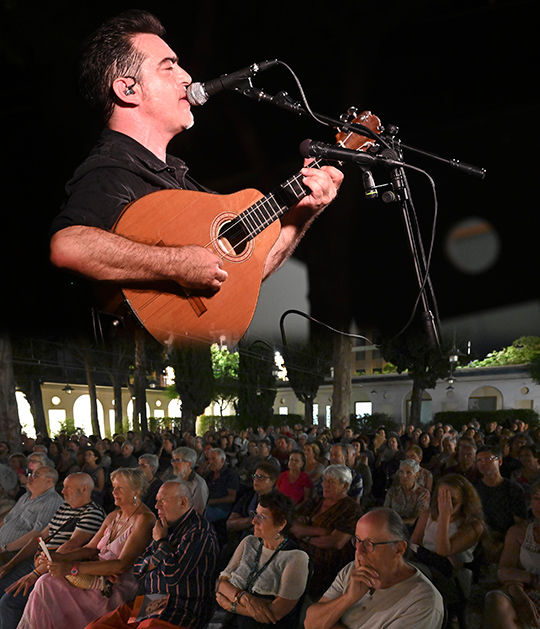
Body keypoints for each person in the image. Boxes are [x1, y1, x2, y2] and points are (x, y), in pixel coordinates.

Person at [48, 10, 343, 340]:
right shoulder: (111, 170)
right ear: (127, 90)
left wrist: (303, 213)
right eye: (168, 67)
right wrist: (177, 264)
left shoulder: (179, 180)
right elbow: (67, 246)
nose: (186, 76)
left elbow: (245, 275)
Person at [17, 468, 155, 629]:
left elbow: (122, 564)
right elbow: (90, 549)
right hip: (94, 575)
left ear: (136, 491)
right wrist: (56, 557)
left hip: (115, 585)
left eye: (120, 488)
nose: (114, 492)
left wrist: (72, 568)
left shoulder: (144, 519)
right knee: (46, 581)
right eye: (114, 487)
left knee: (47, 584)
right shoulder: (114, 516)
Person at [86, 480, 219, 629]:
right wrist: (161, 554)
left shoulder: (198, 530)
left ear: (182, 501)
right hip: (152, 602)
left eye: (162, 501)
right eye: (156, 501)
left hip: (182, 607)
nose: (156, 506)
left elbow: (171, 575)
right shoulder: (163, 525)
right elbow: (138, 569)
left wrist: (161, 542)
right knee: (96, 627)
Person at [304, 507, 444, 629]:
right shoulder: (352, 570)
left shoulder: (423, 601)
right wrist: (348, 598)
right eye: (357, 540)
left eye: (370, 544)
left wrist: (330, 624)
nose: (359, 551)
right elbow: (310, 623)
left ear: (398, 549)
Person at [0, 473, 105, 629]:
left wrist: (35, 573)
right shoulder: (64, 507)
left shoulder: (92, 513)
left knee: (9, 603)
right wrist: (11, 563)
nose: (63, 491)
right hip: (38, 561)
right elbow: (40, 537)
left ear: (84, 489)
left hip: (54, 568)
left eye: (67, 487)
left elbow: (70, 546)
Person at [215, 491, 310, 628]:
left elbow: (275, 613)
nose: (254, 521)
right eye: (255, 514)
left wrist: (231, 606)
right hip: (232, 621)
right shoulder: (249, 541)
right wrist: (246, 598)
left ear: (281, 525)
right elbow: (222, 582)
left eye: (262, 517)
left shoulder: (296, 557)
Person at [411, 473, 486, 626]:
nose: (444, 504)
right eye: (441, 498)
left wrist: (445, 516)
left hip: (452, 577)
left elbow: (442, 550)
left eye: (451, 500)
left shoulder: (473, 525)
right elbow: (413, 545)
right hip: (424, 562)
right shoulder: (427, 515)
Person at [291, 464, 362, 599]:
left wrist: (305, 536)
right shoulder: (316, 501)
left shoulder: (351, 510)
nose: (326, 485)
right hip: (301, 559)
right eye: (325, 480)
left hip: (328, 568)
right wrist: (321, 530)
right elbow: (293, 526)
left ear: (345, 486)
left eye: (332, 482)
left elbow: (335, 542)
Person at [481, 479, 540, 629]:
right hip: (523, 590)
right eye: (536, 498)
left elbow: (514, 573)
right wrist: (519, 595)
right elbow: (504, 572)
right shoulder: (518, 532)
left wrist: (529, 577)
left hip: (531, 586)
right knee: (495, 599)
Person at [0, 466, 64, 557]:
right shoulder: (26, 496)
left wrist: (6, 548)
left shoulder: (52, 501)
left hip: (17, 553)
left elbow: (38, 534)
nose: (29, 478)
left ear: (49, 480)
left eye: (35, 476)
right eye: (30, 474)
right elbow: (7, 520)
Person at [474, 445, 528, 543]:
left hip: (507, 539)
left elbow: (520, 522)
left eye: (488, 459)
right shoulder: (473, 488)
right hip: (478, 538)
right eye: (479, 460)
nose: (483, 463)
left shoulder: (513, 489)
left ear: (499, 462)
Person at [227, 461, 280, 539]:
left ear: (272, 481)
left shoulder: (278, 501)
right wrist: (250, 521)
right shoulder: (248, 497)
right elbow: (230, 523)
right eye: (255, 476)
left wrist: (243, 523)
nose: (256, 480)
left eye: (261, 477)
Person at [383, 459, 430, 526]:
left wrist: (400, 523)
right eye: (401, 472)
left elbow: (419, 519)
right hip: (393, 527)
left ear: (416, 475)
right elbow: (386, 512)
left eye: (408, 472)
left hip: (412, 529)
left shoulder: (423, 493)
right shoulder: (392, 491)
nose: (404, 476)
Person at [204, 448, 240, 524]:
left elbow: (232, 497)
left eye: (214, 459)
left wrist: (213, 501)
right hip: (207, 505)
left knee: (197, 516)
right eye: (209, 459)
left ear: (222, 460)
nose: (210, 462)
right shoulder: (210, 474)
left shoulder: (230, 475)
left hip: (221, 508)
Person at [170, 447, 208, 514]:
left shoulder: (199, 484)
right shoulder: (176, 479)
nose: (174, 464)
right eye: (173, 460)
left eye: (178, 460)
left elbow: (199, 511)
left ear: (189, 464)